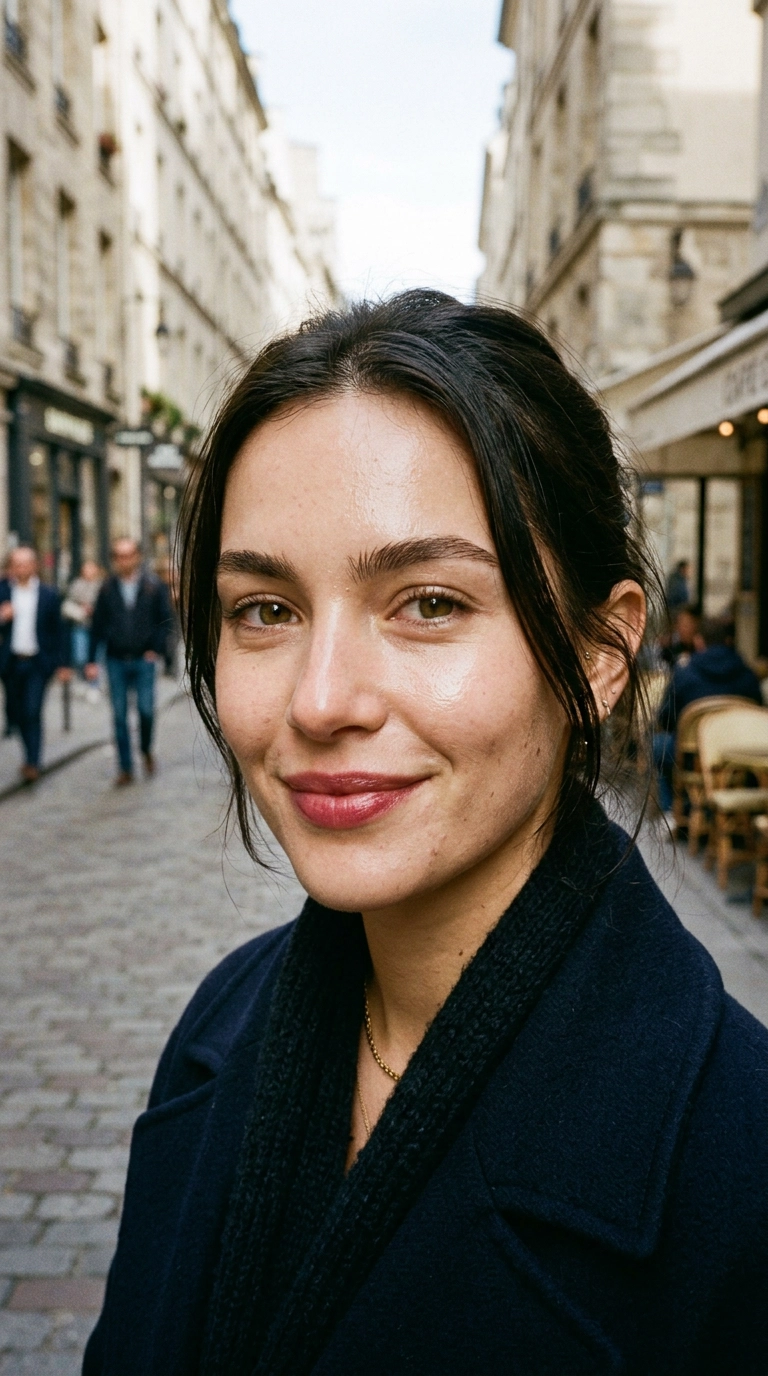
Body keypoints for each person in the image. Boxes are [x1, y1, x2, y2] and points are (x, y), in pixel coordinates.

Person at [84, 294, 768, 1376]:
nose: (321, 700)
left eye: (430, 602)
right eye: (265, 608)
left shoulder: (740, 1165)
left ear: (598, 654)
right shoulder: (220, 1026)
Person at [654, 615, 763, 813]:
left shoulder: (684, 672)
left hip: (690, 755)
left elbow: (666, 717)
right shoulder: (748, 674)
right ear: (728, 641)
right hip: (738, 757)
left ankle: (671, 810)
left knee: (657, 745)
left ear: (699, 641)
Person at [85, 537, 172, 785]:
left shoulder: (153, 586)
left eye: (129, 555)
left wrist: (156, 649)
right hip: (115, 659)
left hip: (144, 659)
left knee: (146, 710)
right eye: (119, 556)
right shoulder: (106, 588)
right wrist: (91, 661)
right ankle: (125, 767)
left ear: (137, 557)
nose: (124, 561)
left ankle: (145, 749)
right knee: (120, 715)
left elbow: (165, 621)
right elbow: (97, 626)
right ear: (114, 560)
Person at [0, 546, 70, 782]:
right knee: (16, 715)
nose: (20, 568)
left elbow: (59, 631)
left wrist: (62, 664)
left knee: (32, 711)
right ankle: (28, 755)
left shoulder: (49, 594)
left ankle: (33, 761)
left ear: (34, 565)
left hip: (38, 664)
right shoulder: (2, 592)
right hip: (10, 663)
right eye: (16, 564)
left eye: (25, 563)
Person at [63, 559, 104, 691]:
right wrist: (81, 609)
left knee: (97, 656)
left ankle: (94, 684)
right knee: (80, 656)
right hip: (81, 625)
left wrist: (95, 609)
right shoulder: (77, 585)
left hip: (97, 627)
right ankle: (84, 680)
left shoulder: (102, 586)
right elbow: (68, 603)